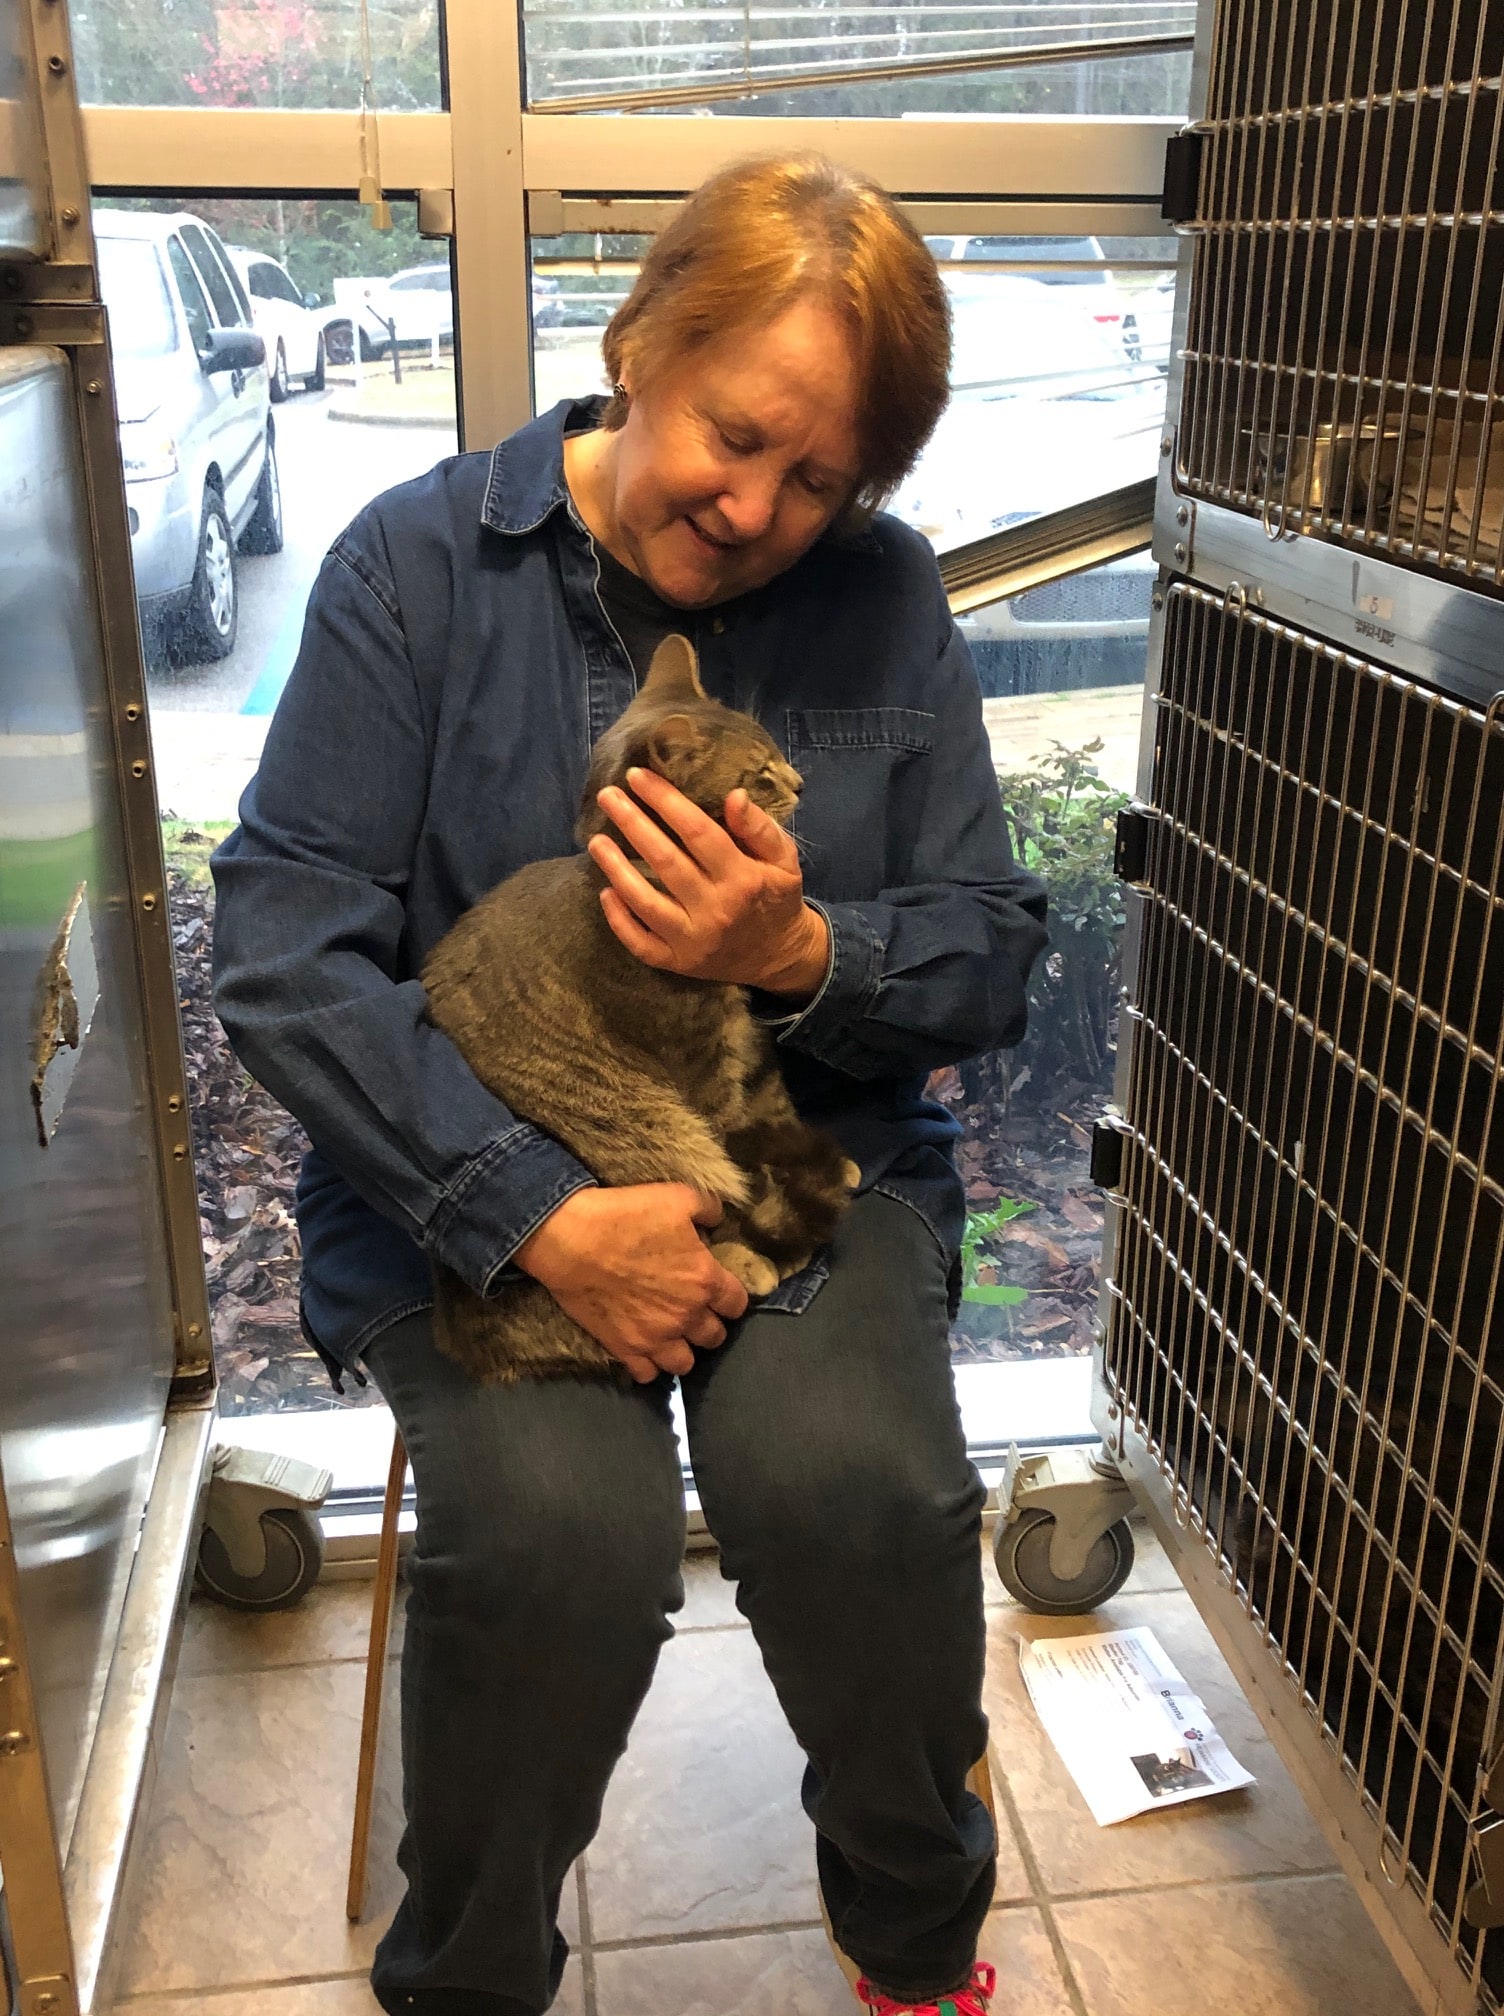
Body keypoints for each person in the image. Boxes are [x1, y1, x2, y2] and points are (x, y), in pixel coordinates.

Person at [212, 150, 1048, 2016]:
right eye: (736, 437)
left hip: (793, 1158)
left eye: (822, 481)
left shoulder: (887, 599)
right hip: (474, 1171)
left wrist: (801, 955)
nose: (756, 509)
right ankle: (471, 1979)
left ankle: (914, 1946)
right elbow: (280, 953)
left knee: (858, 1493)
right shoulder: (418, 570)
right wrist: (539, 1220)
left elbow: (990, 947)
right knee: (559, 1548)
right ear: (642, 340)